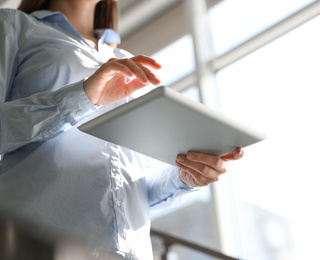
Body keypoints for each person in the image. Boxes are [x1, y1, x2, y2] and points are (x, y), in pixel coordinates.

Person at [0, 0, 244, 259]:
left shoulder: (124, 60)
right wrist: (82, 97)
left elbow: (135, 187)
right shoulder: (14, 26)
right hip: (39, 244)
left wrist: (183, 178)